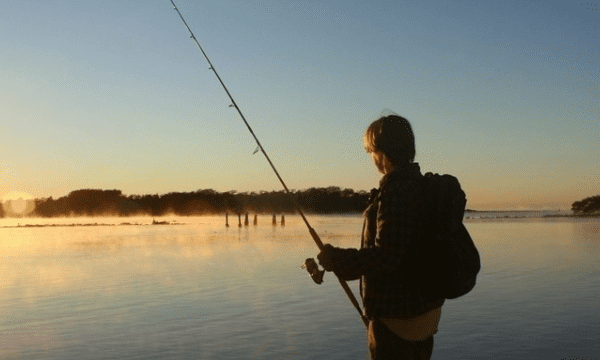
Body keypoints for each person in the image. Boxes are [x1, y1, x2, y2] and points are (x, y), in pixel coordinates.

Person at [317, 114, 444, 360]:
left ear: (381, 151)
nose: (372, 158)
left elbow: (388, 256)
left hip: (400, 316)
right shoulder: (420, 185)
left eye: (371, 151)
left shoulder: (397, 190)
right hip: (426, 311)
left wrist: (337, 259)